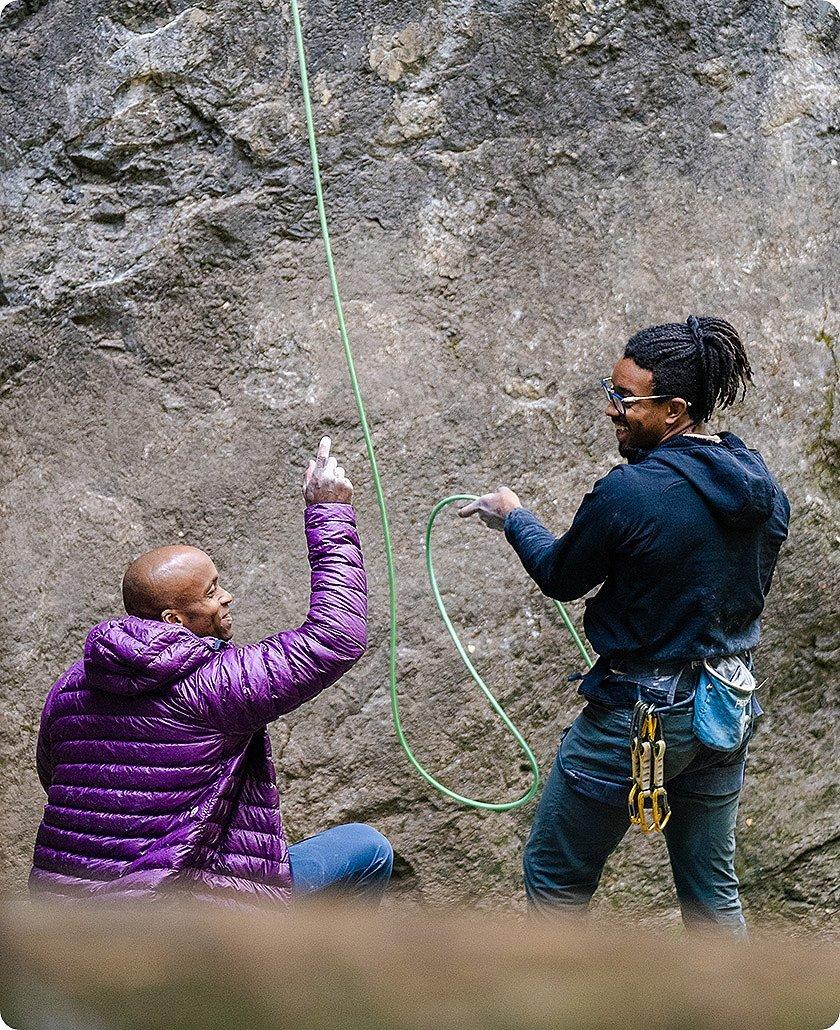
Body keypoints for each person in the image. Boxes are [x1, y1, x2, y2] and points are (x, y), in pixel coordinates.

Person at [459, 316, 790, 934]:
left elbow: (562, 576)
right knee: (712, 893)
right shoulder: (760, 483)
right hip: (726, 703)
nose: (612, 410)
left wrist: (514, 518)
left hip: (640, 715)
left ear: (674, 410)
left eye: (625, 400)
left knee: (556, 880)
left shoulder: (631, 492)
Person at [30, 437, 393, 906]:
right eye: (210, 591)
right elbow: (334, 638)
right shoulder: (211, 686)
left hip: (68, 922)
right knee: (368, 849)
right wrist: (329, 510)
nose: (227, 597)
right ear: (174, 621)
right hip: (184, 914)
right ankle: (305, 973)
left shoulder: (71, 687)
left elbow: (56, 776)